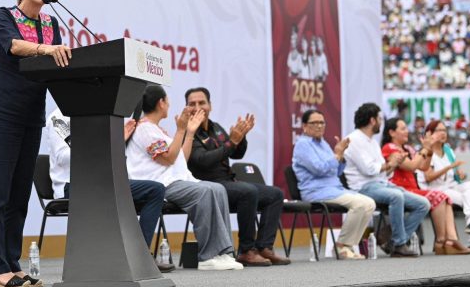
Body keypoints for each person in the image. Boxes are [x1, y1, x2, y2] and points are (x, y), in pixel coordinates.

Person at [0, 0, 72, 287]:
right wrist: (47, 49)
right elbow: (15, 47)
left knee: (19, 196)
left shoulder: (51, 23)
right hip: (1, 115)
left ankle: (11, 263)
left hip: (32, 117)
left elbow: (56, 64)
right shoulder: (5, 16)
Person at [125, 85, 244, 271]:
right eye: (167, 100)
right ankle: (208, 256)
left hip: (176, 181)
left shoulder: (157, 129)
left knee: (218, 189)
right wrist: (180, 130)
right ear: (161, 103)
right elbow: (168, 158)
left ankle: (224, 252)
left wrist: (189, 132)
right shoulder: (145, 129)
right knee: (204, 192)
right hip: (162, 184)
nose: (169, 104)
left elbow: (181, 159)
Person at [45, 107, 175, 272]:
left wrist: (116, 142)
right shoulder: (58, 117)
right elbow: (62, 157)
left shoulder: (92, 113)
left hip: (102, 180)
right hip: (72, 184)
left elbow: (104, 153)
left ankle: (139, 256)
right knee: (115, 194)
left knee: (155, 190)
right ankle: (126, 259)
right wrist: (101, 146)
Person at [185, 87, 289, 266]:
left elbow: (236, 154)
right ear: (186, 108)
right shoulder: (188, 132)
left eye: (202, 102)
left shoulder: (216, 128)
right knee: (247, 191)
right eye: (192, 104)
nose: (197, 107)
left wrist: (241, 138)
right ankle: (246, 250)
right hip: (207, 186)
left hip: (227, 183)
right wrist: (231, 142)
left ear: (210, 105)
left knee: (275, 194)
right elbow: (202, 160)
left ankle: (264, 247)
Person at [343, 103, 430, 258]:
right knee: (397, 196)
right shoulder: (353, 140)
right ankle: (400, 244)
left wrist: (394, 164)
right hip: (363, 187)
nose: (381, 123)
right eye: (379, 119)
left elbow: (383, 172)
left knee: (423, 204)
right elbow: (369, 170)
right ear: (372, 120)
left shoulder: (372, 142)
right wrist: (390, 164)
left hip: (381, 184)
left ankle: (394, 242)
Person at [293, 109, 375, 259]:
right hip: (316, 191)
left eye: (321, 122)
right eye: (314, 123)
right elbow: (319, 169)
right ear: (304, 126)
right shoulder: (302, 145)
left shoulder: (323, 144)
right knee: (360, 204)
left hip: (334, 189)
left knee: (370, 203)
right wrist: (336, 155)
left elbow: (336, 172)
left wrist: (341, 157)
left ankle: (349, 246)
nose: (319, 126)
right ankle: (341, 246)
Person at [382, 118, 470, 255]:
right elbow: (412, 166)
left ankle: (449, 241)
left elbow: (423, 167)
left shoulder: (408, 148)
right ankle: (440, 241)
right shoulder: (390, 148)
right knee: (439, 197)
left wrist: (429, 150)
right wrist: (425, 149)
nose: (407, 131)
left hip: (413, 190)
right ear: (392, 132)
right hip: (399, 190)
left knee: (445, 197)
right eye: (403, 128)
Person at [422, 120, 470, 253]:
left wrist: (460, 174)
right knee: (469, 200)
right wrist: (450, 167)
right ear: (429, 133)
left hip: (452, 185)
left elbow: (456, 174)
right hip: (437, 190)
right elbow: (428, 177)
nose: (443, 133)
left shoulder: (448, 150)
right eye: (439, 130)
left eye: (444, 130)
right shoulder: (427, 151)